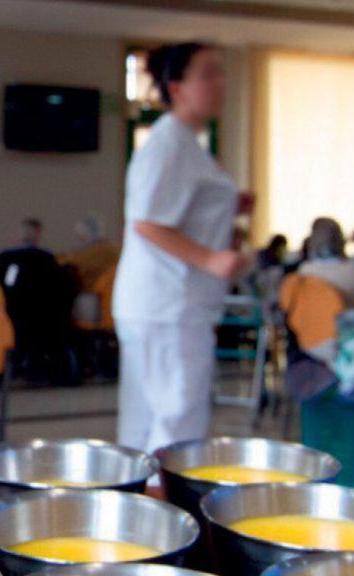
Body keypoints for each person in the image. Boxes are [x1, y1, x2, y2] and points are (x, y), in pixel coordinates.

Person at [112, 43, 249, 453]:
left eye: (221, 72)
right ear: (178, 87)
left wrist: (231, 208)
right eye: (207, 74)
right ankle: (167, 510)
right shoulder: (170, 142)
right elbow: (147, 221)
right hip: (170, 304)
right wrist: (212, 258)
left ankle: (143, 506)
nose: (220, 82)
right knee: (176, 422)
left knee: (149, 421)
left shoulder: (185, 143)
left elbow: (173, 211)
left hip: (164, 303)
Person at [0, 218, 75, 384]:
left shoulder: (7, 258)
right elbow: (62, 288)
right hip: (45, 319)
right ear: (38, 236)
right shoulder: (47, 258)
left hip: (13, 316)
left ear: (18, 236)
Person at [299, 217, 354, 309]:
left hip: (310, 322)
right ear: (341, 240)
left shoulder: (304, 270)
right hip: (348, 321)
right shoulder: (351, 272)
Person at [58, 215, 121, 290]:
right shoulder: (114, 249)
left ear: (85, 235)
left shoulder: (87, 254)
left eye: (82, 236)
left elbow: (70, 264)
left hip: (94, 294)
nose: (81, 239)